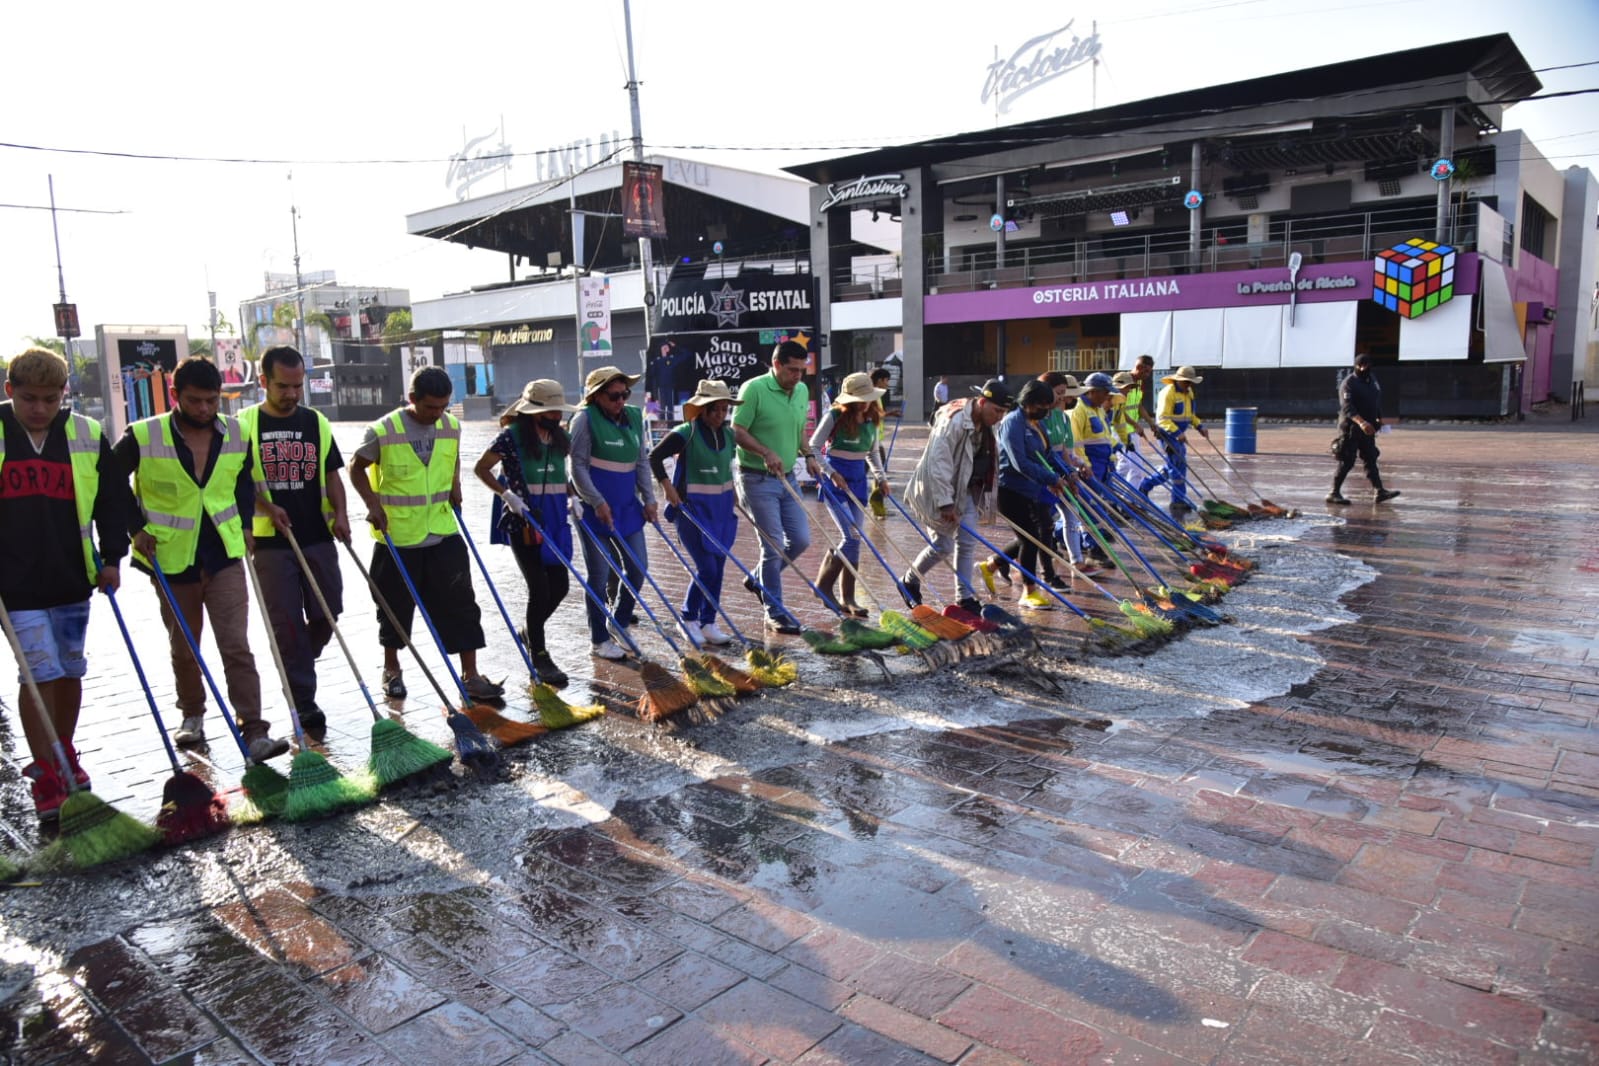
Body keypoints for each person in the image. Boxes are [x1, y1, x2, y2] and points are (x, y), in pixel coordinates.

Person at [115, 357, 290, 762]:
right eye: (195, 401)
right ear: (175, 396)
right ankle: (192, 715)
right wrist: (134, 529)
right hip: (172, 557)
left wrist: (246, 524)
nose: (205, 410)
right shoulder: (144, 435)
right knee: (185, 645)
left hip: (224, 553)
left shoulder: (235, 432)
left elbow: (243, 480)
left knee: (237, 645)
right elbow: (109, 481)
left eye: (212, 401)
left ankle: (255, 729)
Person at [1, 348, 131, 819]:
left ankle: (64, 751)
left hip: (72, 575)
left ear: (63, 396)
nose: (39, 409)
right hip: (13, 584)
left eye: (50, 400)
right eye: (29, 399)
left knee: (71, 668)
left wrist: (113, 558)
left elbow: (114, 503)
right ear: (9, 390)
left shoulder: (84, 434)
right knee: (40, 671)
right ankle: (46, 770)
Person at [348, 366, 501, 701]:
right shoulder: (383, 430)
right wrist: (372, 503)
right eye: (430, 407)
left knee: (461, 603)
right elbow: (355, 468)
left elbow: (453, 458)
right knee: (393, 608)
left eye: (443, 406)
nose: (437, 414)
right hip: (398, 536)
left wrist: (455, 483)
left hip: (443, 530)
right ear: (412, 399)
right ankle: (392, 670)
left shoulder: (451, 426)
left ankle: (470, 675)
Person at [238, 347, 350, 734]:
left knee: (328, 612)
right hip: (270, 543)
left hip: (316, 533)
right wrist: (266, 509)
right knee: (286, 623)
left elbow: (333, 474)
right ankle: (303, 701)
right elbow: (232, 483)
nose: (291, 394)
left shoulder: (316, 422)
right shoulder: (243, 425)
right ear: (263, 381)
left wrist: (342, 515)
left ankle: (300, 658)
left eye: (297, 386)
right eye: (283, 386)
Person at [473, 380, 581, 686]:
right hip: (525, 522)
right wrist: (508, 496)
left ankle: (529, 632)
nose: (556, 416)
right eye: (549, 411)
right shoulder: (511, 438)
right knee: (539, 589)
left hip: (557, 520)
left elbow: (562, 473)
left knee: (559, 587)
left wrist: (573, 497)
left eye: (558, 411)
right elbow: (481, 469)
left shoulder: (562, 438)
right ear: (534, 412)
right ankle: (540, 655)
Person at [900, 378, 1015, 607]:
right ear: (982, 402)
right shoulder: (952, 421)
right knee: (943, 545)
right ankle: (908, 580)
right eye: (997, 411)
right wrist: (945, 503)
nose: (1000, 417)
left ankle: (964, 598)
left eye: (1004, 412)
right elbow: (938, 463)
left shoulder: (987, 420)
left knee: (968, 542)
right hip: (936, 488)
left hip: (966, 488)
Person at [733, 341, 823, 635]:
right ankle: (775, 610)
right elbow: (737, 430)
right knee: (772, 547)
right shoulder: (754, 389)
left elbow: (799, 431)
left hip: (788, 478)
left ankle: (759, 578)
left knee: (800, 541)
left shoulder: (801, 391)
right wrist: (764, 451)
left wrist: (809, 455)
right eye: (792, 370)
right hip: (756, 478)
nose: (798, 376)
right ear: (776, 365)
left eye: (802, 370)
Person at [569, 366, 658, 660]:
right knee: (600, 573)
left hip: (627, 506)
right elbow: (577, 467)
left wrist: (649, 498)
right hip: (593, 508)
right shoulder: (583, 419)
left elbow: (642, 461)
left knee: (638, 566)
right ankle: (598, 639)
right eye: (613, 396)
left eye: (624, 394)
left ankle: (618, 621)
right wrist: (595, 501)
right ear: (596, 396)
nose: (620, 401)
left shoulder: (634, 416)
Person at [649, 379, 745, 646]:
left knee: (719, 568)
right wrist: (668, 488)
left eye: (724, 409)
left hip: (722, 511)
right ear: (702, 409)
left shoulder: (728, 435)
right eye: (715, 409)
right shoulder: (685, 432)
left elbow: (726, 468)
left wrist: (734, 493)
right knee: (706, 568)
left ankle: (708, 622)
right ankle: (687, 618)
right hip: (691, 510)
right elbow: (654, 457)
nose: (720, 415)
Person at [809, 372, 889, 617]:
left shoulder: (872, 417)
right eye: (861, 398)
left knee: (856, 539)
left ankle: (849, 598)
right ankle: (823, 585)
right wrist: (831, 473)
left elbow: (873, 453)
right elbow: (813, 446)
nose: (866, 402)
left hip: (857, 481)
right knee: (851, 536)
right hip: (836, 481)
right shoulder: (834, 416)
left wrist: (881, 477)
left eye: (869, 397)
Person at [995, 381, 1069, 611]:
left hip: (1032, 489)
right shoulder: (1012, 423)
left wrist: (1066, 475)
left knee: (1031, 536)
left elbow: (1047, 455)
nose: (1045, 410)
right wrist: (1051, 479)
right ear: (1027, 402)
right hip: (1010, 490)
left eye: (1048, 406)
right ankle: (1029, 591)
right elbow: (1021, 463)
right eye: (1041, 405)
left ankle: (992, 565)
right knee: (1031, 539)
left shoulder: (1038, 422)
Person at [1329, 353, 1400, 505]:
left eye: (1365, 366)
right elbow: (1347, 408)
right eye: (1359, 366)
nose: (1363, 368)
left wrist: (1379, 419)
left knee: (1370, 458)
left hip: (1368, 429)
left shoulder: (1372, 380)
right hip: (1351, 428)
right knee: (1347, 460)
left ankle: (1379, 491)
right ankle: (1334, 493)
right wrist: (1361, 422)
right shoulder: (1349, 383)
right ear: (1355, 366)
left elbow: (1375, 401)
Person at [1139, 364, 1209, 517]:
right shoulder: (1168, 393)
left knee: (1176, 466)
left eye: (1190, 382)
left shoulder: (1189, 392)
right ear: (1178, 380)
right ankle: (1177, 500)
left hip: (1179, 435)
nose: (1188, 385)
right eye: (1186, 382)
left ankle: (1149, 485)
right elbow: (1162, 419)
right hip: (1167, 434)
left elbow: (1190, 415)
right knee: (1176, 467)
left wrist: (1199, 426)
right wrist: (1177, 432)